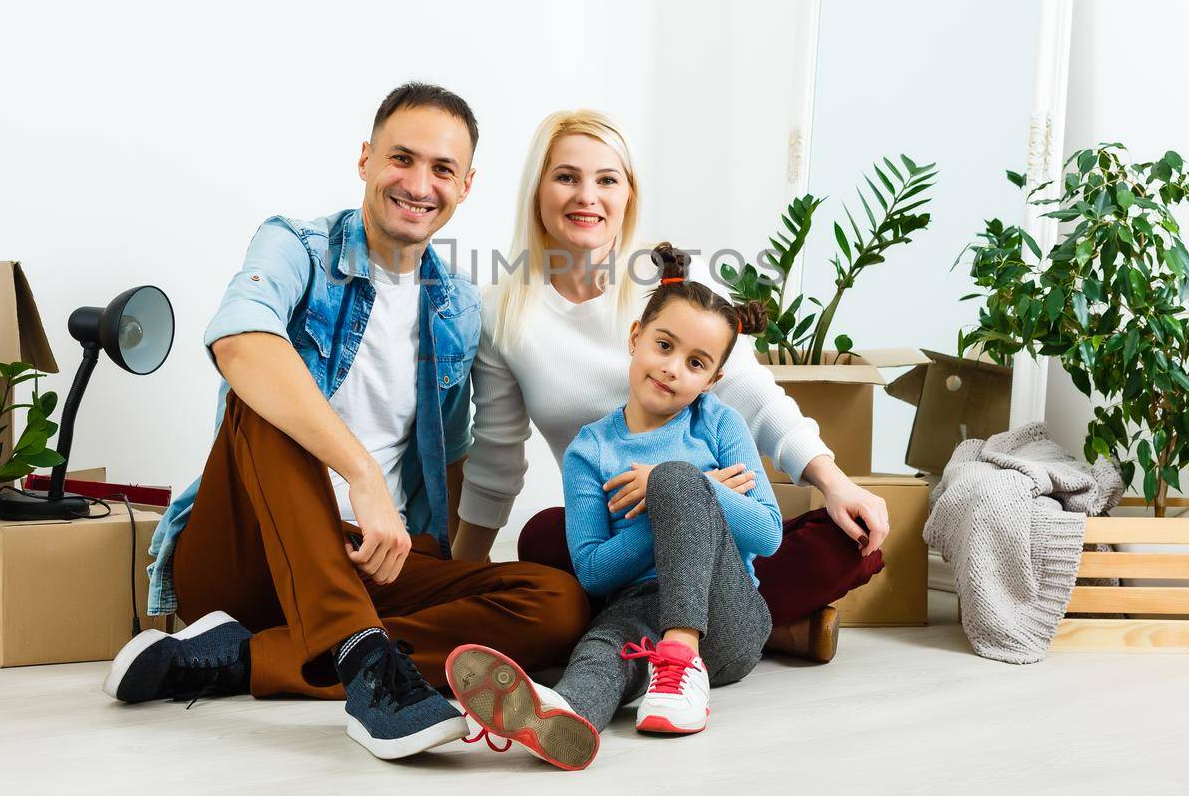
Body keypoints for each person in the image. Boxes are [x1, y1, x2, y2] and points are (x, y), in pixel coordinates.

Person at [105, 84, 589, 763]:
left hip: (368, 561)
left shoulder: (456, 305)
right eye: (402, 158)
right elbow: (240, 342)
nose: (420, 184)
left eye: (443, 169)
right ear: (365, 158)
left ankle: (247, 659)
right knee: (267, 388)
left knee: (557, 601)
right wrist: (361, 472)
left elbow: (450, 454)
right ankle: (368, 672)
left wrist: (444, 564)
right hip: (247, 555)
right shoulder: (294, 246)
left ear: (466, 185)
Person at [450, 110, 887, 649]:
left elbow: (753, 395)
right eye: (566, 176)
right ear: (537, 189)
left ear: (629, 194)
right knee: (543, 538)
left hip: (716, 526)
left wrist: (836, 483)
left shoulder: (674, 282)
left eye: (607, 179)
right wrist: (460, 578)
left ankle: (689, 628)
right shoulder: (503, 312)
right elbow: (496, 456)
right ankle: (762, 630)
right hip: (617, 539)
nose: (587, 196)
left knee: (849, 539)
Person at [445, 246, 782, 770]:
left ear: (713, 380)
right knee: (602, 648)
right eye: (663, 345)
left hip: (728, 619)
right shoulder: (590, 450)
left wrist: (686, 488)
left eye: (695, 363)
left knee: (675, 478)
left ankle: (682, 654)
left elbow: (768, 533)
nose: (672, 369)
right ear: (635, 338)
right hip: (637, 605)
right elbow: (594, 571)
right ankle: (558, 716)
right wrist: (670, 506)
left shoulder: (718, 425)